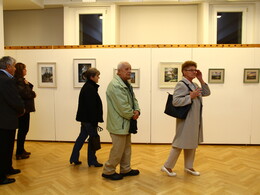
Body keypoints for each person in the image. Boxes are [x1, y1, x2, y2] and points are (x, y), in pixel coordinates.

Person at [161, 60, 210, 177]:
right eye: (191, 70)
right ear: (184, 72)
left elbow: (207, 93)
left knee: (192, 142)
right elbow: (176, 101)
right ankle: (167, 166)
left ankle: (189, 166)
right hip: (186, 119)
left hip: (195, 119)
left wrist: (201, 79)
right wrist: (190, 96)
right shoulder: (181, 84)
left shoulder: (195, 84)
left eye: (195, 70)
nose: (194, 72)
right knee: (179, 143)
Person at [102, 61, 140, 180]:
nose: (129, 71)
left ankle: (125, 169)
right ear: (118, 71)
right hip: (119, 123)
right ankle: (108, 171)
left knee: (126, 149)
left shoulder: (126, 84)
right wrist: (132, 114)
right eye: (126, 69)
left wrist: (137, 110)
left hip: (125, 123)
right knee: (118, 150)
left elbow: (134, 99)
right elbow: (122, 106)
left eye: (130, 69)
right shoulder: (115, 85)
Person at [70, 68, 103, 167]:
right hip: (89, 119)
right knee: (93, 139)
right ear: (92, 77)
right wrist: (94, 122)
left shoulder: (89, 86)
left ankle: (74, 158)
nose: (99, 78)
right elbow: (91, 107)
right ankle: (92, 161)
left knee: (82, 137)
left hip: (86, 119)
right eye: (97, 76)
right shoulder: (89, 88)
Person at [0, 56, 24, 185]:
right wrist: (21, 109)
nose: (15, 69)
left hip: (4, 119)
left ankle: (7, 168)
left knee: (7, 147)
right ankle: (2, 175)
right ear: (8, 67)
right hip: (6, 119)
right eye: (14, 66)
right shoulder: (6, 80)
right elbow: (14, 99)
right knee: (5, 148)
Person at [14, 63, 36, 160]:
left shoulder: (21, 81)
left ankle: (21, 149)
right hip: (23, 109)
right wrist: (33, 93)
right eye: (24, 69)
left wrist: (27, 85)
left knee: (24, 130)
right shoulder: (19, 81)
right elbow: (26, 94)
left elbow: (27, 90)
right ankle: (19, 152)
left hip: (25, 109)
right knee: (23, 130)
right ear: (20, 70)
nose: (26, 70)